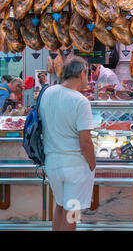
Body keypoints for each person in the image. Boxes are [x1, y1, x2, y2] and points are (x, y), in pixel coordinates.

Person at [39, 56, 96, 231]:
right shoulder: (80, 101)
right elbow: (85, 141)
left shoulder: (47, 93)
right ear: (81, 73)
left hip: (52, 163)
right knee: (72, 214)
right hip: (75, 166)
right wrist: (92, 164)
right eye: (88, 74)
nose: (88, 79)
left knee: (60, 206)